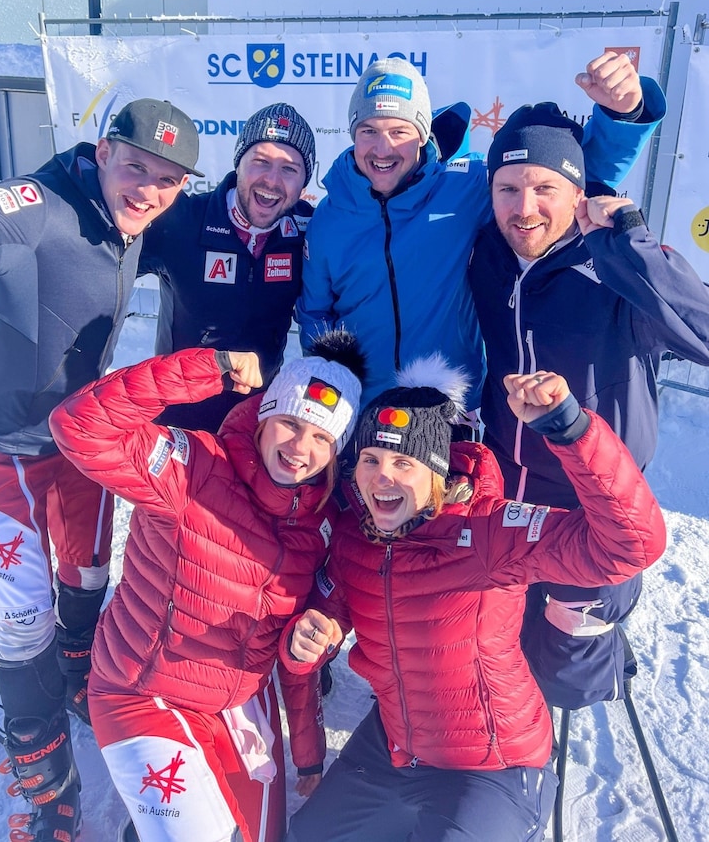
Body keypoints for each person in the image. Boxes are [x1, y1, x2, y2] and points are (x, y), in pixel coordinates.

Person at [0, 95, 199, 841]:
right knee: (25, 623)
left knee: (88, 579)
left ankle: (78, 680)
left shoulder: (136, 219)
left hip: (77, 444)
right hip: (2, 451)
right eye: (135, 167)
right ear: (102, 151)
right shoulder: (38, 206)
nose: (148, 190)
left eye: (167, 180)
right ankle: (50, 792)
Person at [279, 359, 666, 842]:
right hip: (394, 746)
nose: (382, 477)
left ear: (436, 474)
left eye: (404, 463)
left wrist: (571, 429)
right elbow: (324, 615)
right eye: (371, 460)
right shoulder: (357, 537)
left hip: (492, 762)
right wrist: (312, 637)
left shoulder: (490, 530)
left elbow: (630, 546)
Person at [48, 331, 365, 842]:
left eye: (322, 438)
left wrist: (308, 753)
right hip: (146, 690)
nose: (299, 449)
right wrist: (206, 369)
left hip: (237, 701)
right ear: (264, 414)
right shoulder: (191, 467)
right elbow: (79, 425)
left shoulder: (320, 524)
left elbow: (295, 653)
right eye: (289, 423)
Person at [468, 102, 709, 708]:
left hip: (596, 510)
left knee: (569, 676)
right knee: (494, 658)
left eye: (545, 188)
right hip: (507, 504)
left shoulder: (614, 268)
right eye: (509, 188)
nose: (525, 208)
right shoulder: (485, 260)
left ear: (578, 193)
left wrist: (629, 238)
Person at [296, 52, 666, 409]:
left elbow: (567, 177)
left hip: (448, 405)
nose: (383, 147)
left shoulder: (465, 190)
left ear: (423, 134)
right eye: (368, 130)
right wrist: (334, 387)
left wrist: (623, 115)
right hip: (361, 406)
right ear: (352, 134)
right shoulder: (329, 218)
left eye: (399, 130)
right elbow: (316, 314)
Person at [141, 101, 315, 432]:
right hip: (178, 419)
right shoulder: (182, 221)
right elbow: (108, 257)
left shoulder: (309, 232)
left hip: (255, 421)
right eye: (260, 162)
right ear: (239, 164)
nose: (272, 180)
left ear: (304, 183)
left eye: (289, 169)